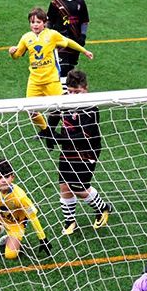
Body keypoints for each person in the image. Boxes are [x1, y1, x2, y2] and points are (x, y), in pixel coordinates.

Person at [36, 69, 112, 234]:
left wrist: (57, 138)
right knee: (64, 186)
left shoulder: (91, 108)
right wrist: (49, 132)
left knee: (78, 187)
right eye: (70, 91)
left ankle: (103, 208)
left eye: (76, 92)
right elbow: (55, 114)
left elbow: (83, 136)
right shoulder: (65, 99)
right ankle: (70, 221)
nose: (72, 95)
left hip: (87, 150)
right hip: (68, 147)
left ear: (86, 88)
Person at [9, 6, 93, 131]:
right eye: (32, 22)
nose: (35, 25)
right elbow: (17, 55)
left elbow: (68, 42)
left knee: (63, 107)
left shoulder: (52, 35)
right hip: (34, 81)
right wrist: (12, 52)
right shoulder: (26, 38)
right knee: (30, 110)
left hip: (51, 80)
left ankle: (73, 129)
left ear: (44, 23)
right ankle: (46, 131)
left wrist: (84, 51)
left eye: (38, 22)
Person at [0, 159, 52, 260]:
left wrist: (42, 238)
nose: (3, 180)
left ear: (12, 177)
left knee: (10, 255)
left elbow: (32, 216)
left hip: (15, 223)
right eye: (0, 177)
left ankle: (9, 237)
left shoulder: (20, 197)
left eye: (6, 176)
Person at [47, 0, 89, 91]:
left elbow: (84, 21)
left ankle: (68, 96)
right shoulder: (55, 3)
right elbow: (50, 21)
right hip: (60, 42)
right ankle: (62, 98)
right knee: (63, 68)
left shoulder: (80, 2)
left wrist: (83, 35)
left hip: (75, 42)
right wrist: (48, 36)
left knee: (71, 69)